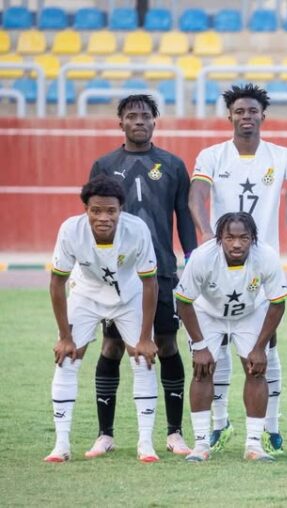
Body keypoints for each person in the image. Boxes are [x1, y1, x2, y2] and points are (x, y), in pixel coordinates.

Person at [189, 83, 287, 455]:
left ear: (263, 116)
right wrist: (206, 234)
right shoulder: (212, 155)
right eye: (240, 111)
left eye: (253, 111)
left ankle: (269, 429)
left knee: (265, 348)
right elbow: (197, 195)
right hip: (221, 257)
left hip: (263, 264)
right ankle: (219, 425)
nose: (246, 116)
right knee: (215, 348)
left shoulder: (281, 155)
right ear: (229, 116)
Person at [86, 94, 197, 458]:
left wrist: (192, 259)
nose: (139, 121)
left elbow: (183, 215)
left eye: (145, 116)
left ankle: (175, 433)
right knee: (112, 346)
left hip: (162, 270)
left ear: (154, 121)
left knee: (166, 344)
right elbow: (95, 218)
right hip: (118, 274)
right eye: (131, 116)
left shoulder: (173, 165)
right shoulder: (104, 165)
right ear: (120, 123)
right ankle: (105, 434)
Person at [45, 175, 159, 463]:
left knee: (143, 359)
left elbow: (150, 283)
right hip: (86, 294)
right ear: (86, 209)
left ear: (121, 209)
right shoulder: (70, 230)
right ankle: (61, 445)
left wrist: (145, 338)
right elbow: (57, 283)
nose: (103, 218)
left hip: (129, 295)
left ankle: (146, 444)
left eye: (111, 211)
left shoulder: (137, 229)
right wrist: (65, 336)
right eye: (96, 210)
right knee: (67, 358)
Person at [175, 212, 287, 462]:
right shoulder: (203, 257)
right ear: (219, 239)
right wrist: (200, 346)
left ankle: (254, 445)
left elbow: (278, 303)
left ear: (253, 239)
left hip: (249, 312)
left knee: (256, 370)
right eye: (229, 238)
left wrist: (260, 347)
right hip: (208, 313)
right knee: (202, 370)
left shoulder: (266, 256)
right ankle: (201, 444)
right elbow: (183, 301)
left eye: (243, 238)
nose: (236, 244)